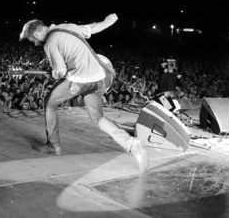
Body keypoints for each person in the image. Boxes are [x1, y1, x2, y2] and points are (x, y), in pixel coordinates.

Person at [19, 14, 149, 173]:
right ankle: (130, 143)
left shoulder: (50, 43)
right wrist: (110, 20)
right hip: (98, 78)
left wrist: (55, 73)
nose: (34, 43)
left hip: (80, 80)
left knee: (50, 103)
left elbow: (61, 71)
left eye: (32, 40)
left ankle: (53, 146)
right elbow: (93, 28)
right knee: (98, 117)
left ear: (37, 33)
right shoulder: (68, 26)